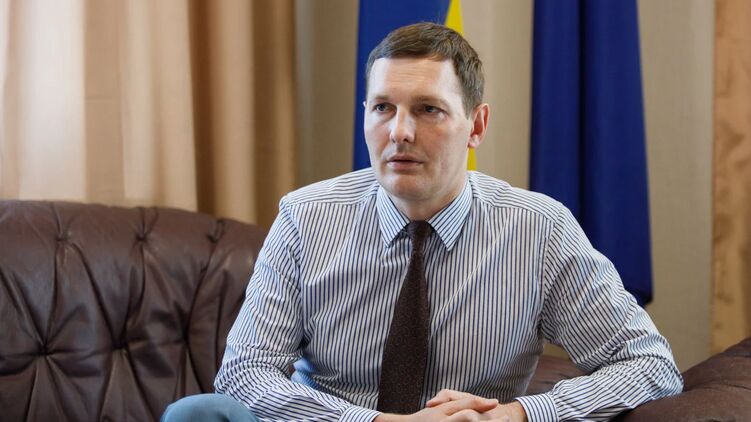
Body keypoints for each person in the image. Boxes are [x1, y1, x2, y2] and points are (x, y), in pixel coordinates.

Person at [162, 22, 682, 422]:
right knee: (197, 413)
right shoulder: (305, 218)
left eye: (428, 110)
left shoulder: (538, 231)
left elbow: (649, 365)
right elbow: (245, 373)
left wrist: (518, 414)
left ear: (476, 125)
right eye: (383, 108)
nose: (400, 132)